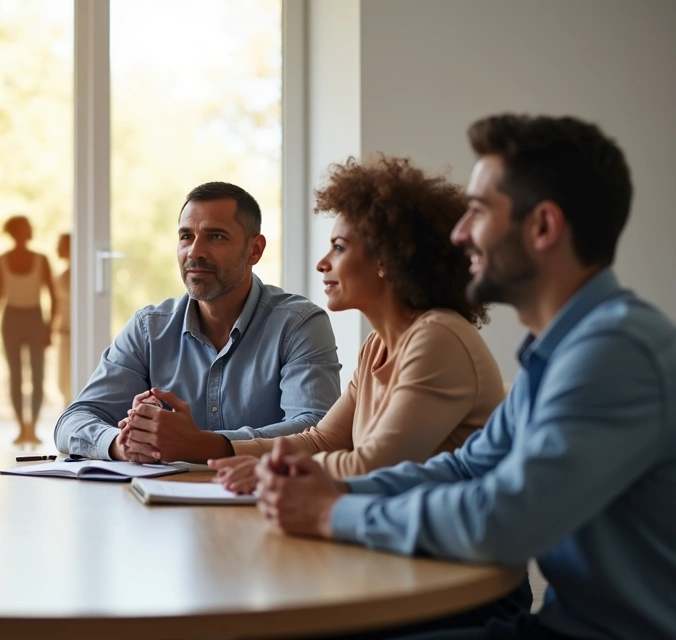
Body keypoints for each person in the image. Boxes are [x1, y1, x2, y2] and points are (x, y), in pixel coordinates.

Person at [255, 114, 676, 639]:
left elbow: (503, 519)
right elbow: (464, 468)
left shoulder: (616, 352)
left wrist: (332, 513)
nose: (458, 234)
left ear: (543, 226)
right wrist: (333, 486)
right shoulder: (562, 350)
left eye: (477, 212)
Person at [209, 156, 504, 494]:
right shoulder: (378, 345)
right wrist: (223, 452)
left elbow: (372, 466)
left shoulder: (439, 338)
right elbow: (325, 439)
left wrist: (271, 468)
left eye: (339, 248)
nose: (323, 263)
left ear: (385, 259)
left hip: (437, 540)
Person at [54, 182, 342, 463]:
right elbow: (73, 421)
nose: (194, 252)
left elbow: (316, 428)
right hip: (163, 505)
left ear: (254, 250)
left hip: (262, 504)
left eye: (215, 237)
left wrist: (203, 445)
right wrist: (122, 444)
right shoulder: (148, 329)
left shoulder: (299, 324)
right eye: (186, 236)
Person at [0, 216, 57, 445]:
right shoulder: (1, 260)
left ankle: (32, 427)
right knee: (15, 375)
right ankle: (20, 427)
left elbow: (53, 296)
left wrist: (49, 328)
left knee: (37, 375)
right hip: (11, 318)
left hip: (35, 317)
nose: (31, 230)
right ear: (16, 232)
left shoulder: (42, 260)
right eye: (27, 228)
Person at [53, 232, 72, 406]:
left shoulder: (76, 277)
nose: (57, 249)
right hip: (64, 333)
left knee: (70, 382)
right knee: (63, 382)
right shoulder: (62, 276)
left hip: (72, 333)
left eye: (61, 244)